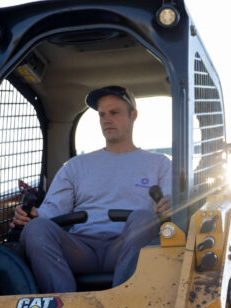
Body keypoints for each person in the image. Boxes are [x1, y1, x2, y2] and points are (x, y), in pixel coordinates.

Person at [13, 85, 173, 293]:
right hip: (81, 249)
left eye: (114, 113)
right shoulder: (75, 166)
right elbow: (51, 211)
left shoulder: (159, 163)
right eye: (102, 115)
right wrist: (31, 216)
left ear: (133, 115)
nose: (107, 119)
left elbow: (170, 203)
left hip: (125, 245)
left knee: (144, 218)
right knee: (35, 229)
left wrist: (169, 206)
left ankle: (122, 302)